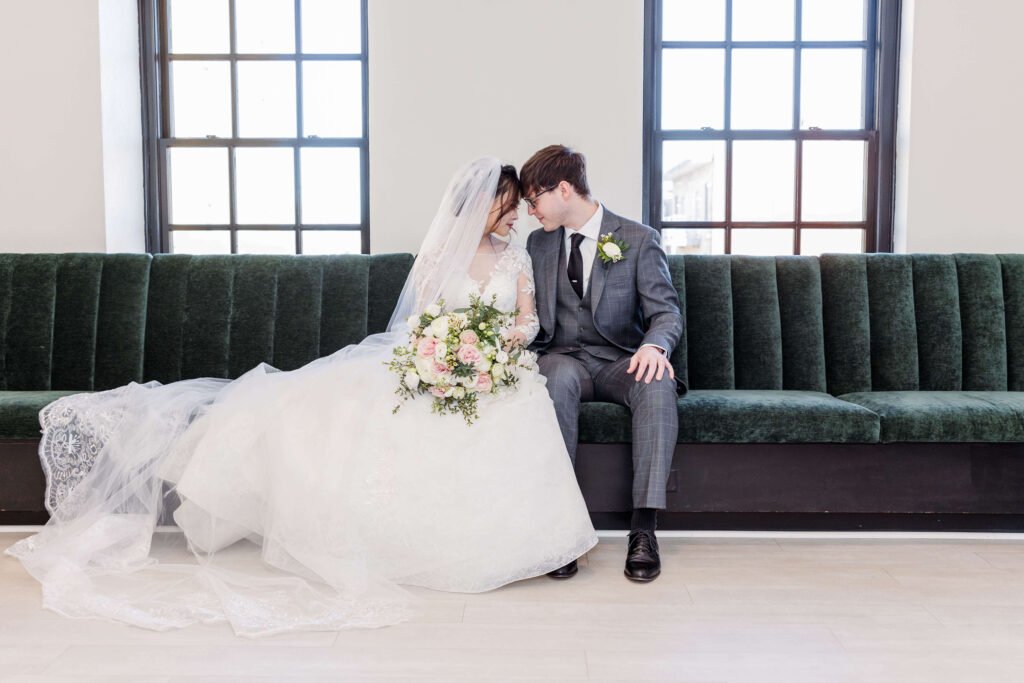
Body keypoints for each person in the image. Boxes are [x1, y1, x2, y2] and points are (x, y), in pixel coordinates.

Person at [4, 157, 598, 637]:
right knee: (329, 412)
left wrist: (494, 345)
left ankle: (528, 546)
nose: (517, 213)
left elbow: (529, 322)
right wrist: (443, 353)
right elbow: (419, 325)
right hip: (433, 364)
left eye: (522, 204)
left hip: (495, 371)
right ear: (485, 204)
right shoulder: (438, 259)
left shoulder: (518, 257)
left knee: (523, 410)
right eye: (510, 203)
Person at [521, 145, 686, 583]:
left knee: (657, 384)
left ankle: (644, 528)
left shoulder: (637, 238)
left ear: (562, 189)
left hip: (619, 361)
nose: (531, 211)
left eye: (533, 199)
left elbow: (666, 313)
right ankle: (563, 531)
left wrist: (655, 348)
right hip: (563, 358)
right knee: (551, 378)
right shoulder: (537, 244)